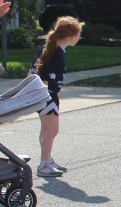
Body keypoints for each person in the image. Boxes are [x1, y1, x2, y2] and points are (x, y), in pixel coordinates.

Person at [30, 16, 83, 177]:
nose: (79, 38)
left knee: (46, 129)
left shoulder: (49, 48)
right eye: (79, 34)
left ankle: (47, 159)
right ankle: (44, 164)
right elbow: (45, 76)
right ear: (72, 36)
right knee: (52, 130)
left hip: (42, 95)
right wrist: (46, 94)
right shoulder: (57, 53)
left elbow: (32, 71)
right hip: (47, 96)